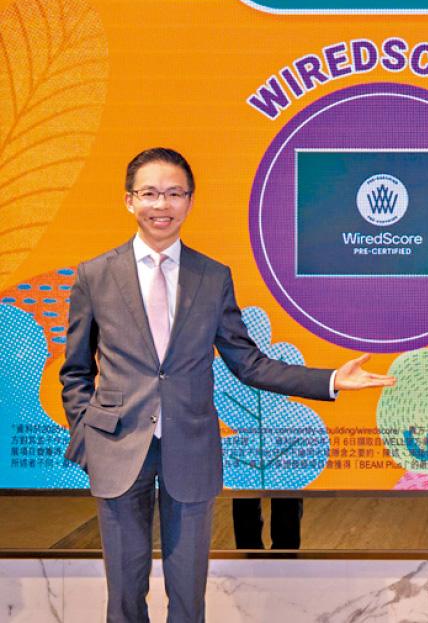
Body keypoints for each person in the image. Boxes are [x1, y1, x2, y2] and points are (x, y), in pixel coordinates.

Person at [60, 147, 396, 622]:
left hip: (191, 448)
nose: (162, 205)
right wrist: (88, 438)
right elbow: (75, 370)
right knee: (124, 596)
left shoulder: (212, 276)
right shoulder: (95, 275)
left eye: (174, 193)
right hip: (116, 449)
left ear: (190, 201)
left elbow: (249, 362)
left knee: (189, 597)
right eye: (150, 193)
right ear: (129, 200)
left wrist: (330, 379)